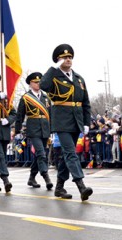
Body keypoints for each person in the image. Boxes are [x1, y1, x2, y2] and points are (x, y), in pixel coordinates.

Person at [40, 44, 93, 201]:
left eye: (70, 57)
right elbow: (43, 85)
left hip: (76, 120)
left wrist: (86, 122)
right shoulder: (54, 77)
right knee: (71, 152)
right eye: (64, 57)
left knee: (65, 155)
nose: (68, 59)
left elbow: (86, 102)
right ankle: (81, 186)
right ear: (58, 60)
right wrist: (53, 68)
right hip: (61, 121)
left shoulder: (79, 78)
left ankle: (59, 187)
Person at [16, 72, 53, 190]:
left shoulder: (46, 97)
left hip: (45, 129)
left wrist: (52, 129)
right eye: (35, 82)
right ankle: (46, 176)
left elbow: (50, 114)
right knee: (41, 154)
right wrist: (17, 129)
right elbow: (20, 115)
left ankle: (31, 178)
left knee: (39, 155)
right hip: (33, 129)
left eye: (39, 82)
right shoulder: (26, 98)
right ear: (30, 84)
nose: (38, 84)